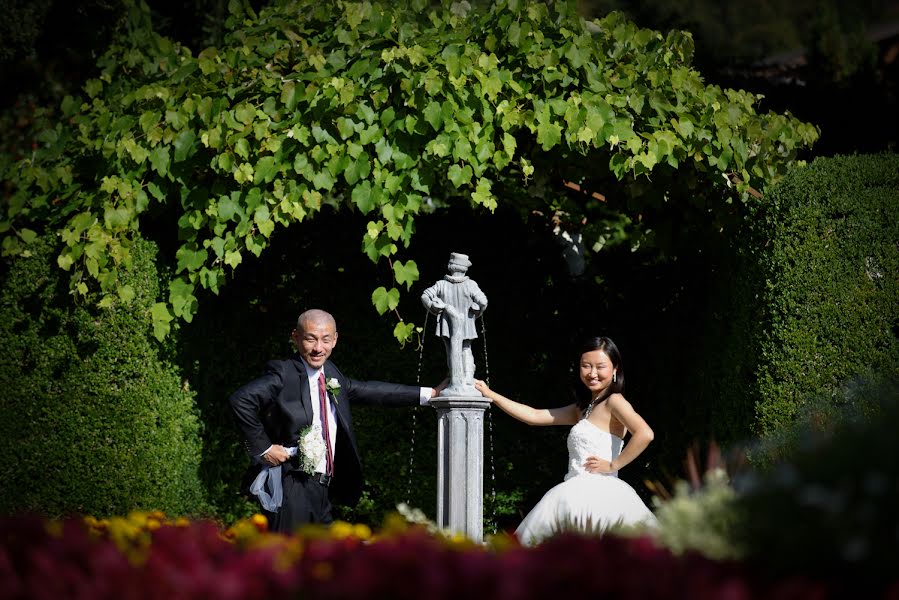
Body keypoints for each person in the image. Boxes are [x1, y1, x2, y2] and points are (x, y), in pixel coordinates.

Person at [229, 309, 439, 532]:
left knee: (326, 561)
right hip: (292, 485)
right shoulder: (283, 372)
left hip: (323, 489)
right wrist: (264, 448)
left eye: (325, 339)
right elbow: (240, 400)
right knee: (288, 560)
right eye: (311, 338)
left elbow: (373, 391)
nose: (318, 348)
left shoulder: (331, 374)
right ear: (296, 337)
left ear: (335, 339)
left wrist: (432, 394)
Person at [474, 336, 657, 545]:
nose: (592, 373)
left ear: (615, 369)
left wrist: (613, 464)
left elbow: (645, 433)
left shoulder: (614, 401)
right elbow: (534, 416)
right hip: (573, 492)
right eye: (586, 366)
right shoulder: (583, 407)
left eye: (600, 366)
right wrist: (491, 395)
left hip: (603, 494)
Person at [421, 252, 488, 397]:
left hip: (447, 326)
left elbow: (425, 295)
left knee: (450, 350)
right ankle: (467, 378)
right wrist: (477, 309)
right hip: (466, 325)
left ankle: (456, 378)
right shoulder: (470, 285)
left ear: (451, 267)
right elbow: (483, 301)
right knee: (466, 349)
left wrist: (433, 306)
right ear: (464, 269)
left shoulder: (441, 284)